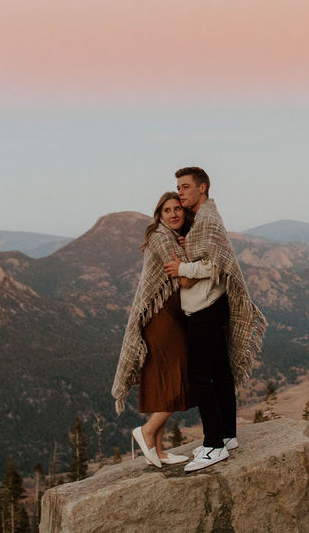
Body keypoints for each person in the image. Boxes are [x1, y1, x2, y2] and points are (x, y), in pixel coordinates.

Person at [163, 166, 267, 472]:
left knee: (200, 376)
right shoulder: (203, 219)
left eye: (185, 187)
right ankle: (227, 435)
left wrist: (182, 269)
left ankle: (213, 445)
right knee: (221, 372)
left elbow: (214, 265)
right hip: (212, 305)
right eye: (178, 187)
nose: (180, 192)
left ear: (202, 187)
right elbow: (206, 256)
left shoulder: (206, 219)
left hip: (206, 308)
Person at [111, 191, 195, 467]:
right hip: (162, 319)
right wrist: (191, 255)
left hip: (167, 315)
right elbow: (186, 281)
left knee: (162, 377)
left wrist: (185, 249)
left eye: (177, 209)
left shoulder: (170, 238)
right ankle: (147, 431)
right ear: (159, 215)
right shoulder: (162, 239)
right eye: (166, 210)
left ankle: (157, 450)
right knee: (179, 373)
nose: (173, 214)